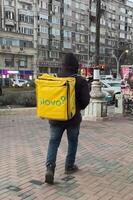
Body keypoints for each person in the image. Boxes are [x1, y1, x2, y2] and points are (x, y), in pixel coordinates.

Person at [44, 53, 90, 184]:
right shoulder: (80, 80)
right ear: (76, 65)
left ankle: (50, 168)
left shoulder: (55, 79)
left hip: (55, 118)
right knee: (73, 141)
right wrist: (76, 108)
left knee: (53, 142)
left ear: (62, 64)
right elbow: (86, 100)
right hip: (73, 119)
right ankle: (69, 166)